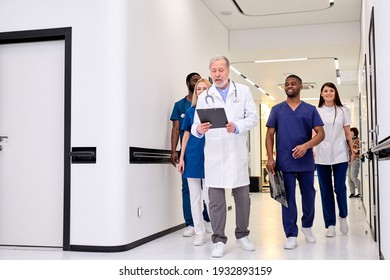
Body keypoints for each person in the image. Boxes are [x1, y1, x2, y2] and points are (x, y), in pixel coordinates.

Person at [192, 55, 259, 258]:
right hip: (215, 154)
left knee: (242, 198)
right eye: (213, 70)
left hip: (236, 152)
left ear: (228, 71)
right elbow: (195, 126)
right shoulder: (205, 96)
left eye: (221, 70)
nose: (217, 74)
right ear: (210, 73)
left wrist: (237, 126)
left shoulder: (243, 91)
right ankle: (219, 239)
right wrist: (200, 129)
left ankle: (242, 235)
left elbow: (253, 118)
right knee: (216, 201)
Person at [265, 74, 325, 250]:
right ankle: (291, 234)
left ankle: (307, 226)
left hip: (305, 161)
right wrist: (270, 157)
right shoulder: (277, 110)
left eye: (293, 83)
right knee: (288, 198)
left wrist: (306, 146)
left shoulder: (310, 110)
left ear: (300, 87)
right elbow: (269, 135)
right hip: (284, 161)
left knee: (309, 195)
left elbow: (321, 134)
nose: (289, 86)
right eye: (286, 84)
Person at [170, 72, 210, 237]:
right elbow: (182, 133)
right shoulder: (187, 110)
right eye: (198, 87)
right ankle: (195, 227)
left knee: (210, 196)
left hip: (209, 157)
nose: (200, 90)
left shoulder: (216, 110)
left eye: (203, 88)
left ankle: (212, 226)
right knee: (192, 194)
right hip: (191, 156)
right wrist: (178, 155)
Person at [314, 82, 354, 238]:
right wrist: (312, 149)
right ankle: (330, 224)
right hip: (321, 153)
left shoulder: (343, 110)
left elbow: (347, 132)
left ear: (335, 93)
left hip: (340, 153)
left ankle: (343, 216)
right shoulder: (316, 111)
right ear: (321, 94)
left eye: (331, 90)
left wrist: (352, 150)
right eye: (325, 91)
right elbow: (313, 132)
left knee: (339, 187)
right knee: (325, 190)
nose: (329, 93)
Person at [348, 127, 361, 198]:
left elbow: (356, 151)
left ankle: (360, 191)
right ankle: (352, 192)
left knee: (353, 177)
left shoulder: (357, 140)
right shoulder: (350, 140)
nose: (349, 133)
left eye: (351, 132)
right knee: (349, 178)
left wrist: (349, 147)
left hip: (355, 160)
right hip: (349, 160)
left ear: (354, 133)